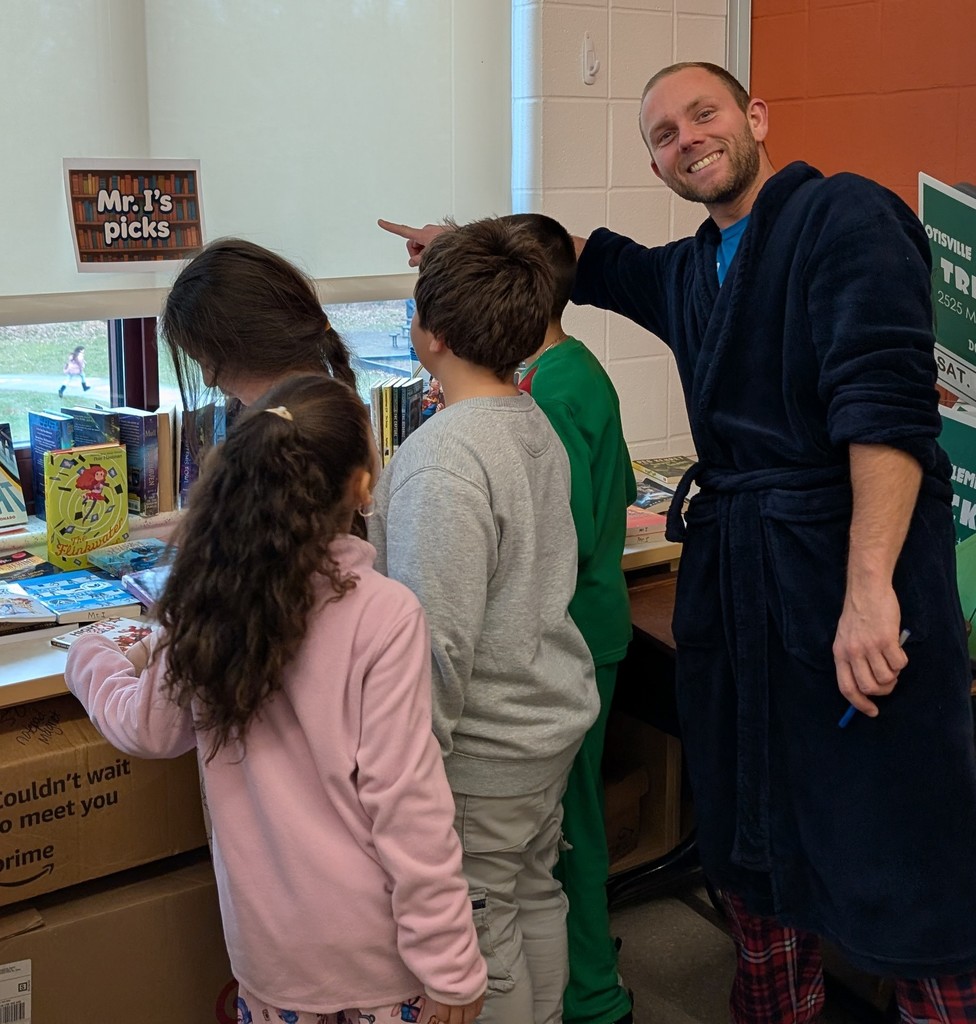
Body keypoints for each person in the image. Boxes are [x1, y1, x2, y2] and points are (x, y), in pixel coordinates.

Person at [378, 63, 976, 1023]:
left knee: (898, 839)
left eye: (703, 115)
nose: (686, 139)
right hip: (742, 586)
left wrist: (870, 588)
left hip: (846, 571)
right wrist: (466, 245)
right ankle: (780, 1006)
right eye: (662, 134)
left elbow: (888, 411)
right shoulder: (697, 268)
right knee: (750, 830)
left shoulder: (845, 219)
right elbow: (587, 255)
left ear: (755, 117)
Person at [63, 373, 487, 1024]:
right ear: (362, 486)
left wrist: (94, 652)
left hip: (270, 960)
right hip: (372, 955)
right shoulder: (385, 614)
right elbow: (408, 806)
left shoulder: (208, 600)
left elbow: (145, 727)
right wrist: (452, 965)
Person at [368, 217, 600, 1024]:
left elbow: (435, 638)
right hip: (541, 725)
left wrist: (410, 776)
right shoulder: (526, 420)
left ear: (426, 333)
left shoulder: (444, 459)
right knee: (530, 895)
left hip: (481, 755)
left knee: (478, 941)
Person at [502, 213, 636, 1024]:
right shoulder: (570, 367)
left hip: (576, 634)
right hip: (590, 624)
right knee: (568, 818)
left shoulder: (552, 391)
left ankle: (592, 996)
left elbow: (566, 534)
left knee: (570, 825)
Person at [158, 237, 357, 409]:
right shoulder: (334, 418)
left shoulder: (295, 440)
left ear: (258, 348)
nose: (208, 381)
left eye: (207, 363)